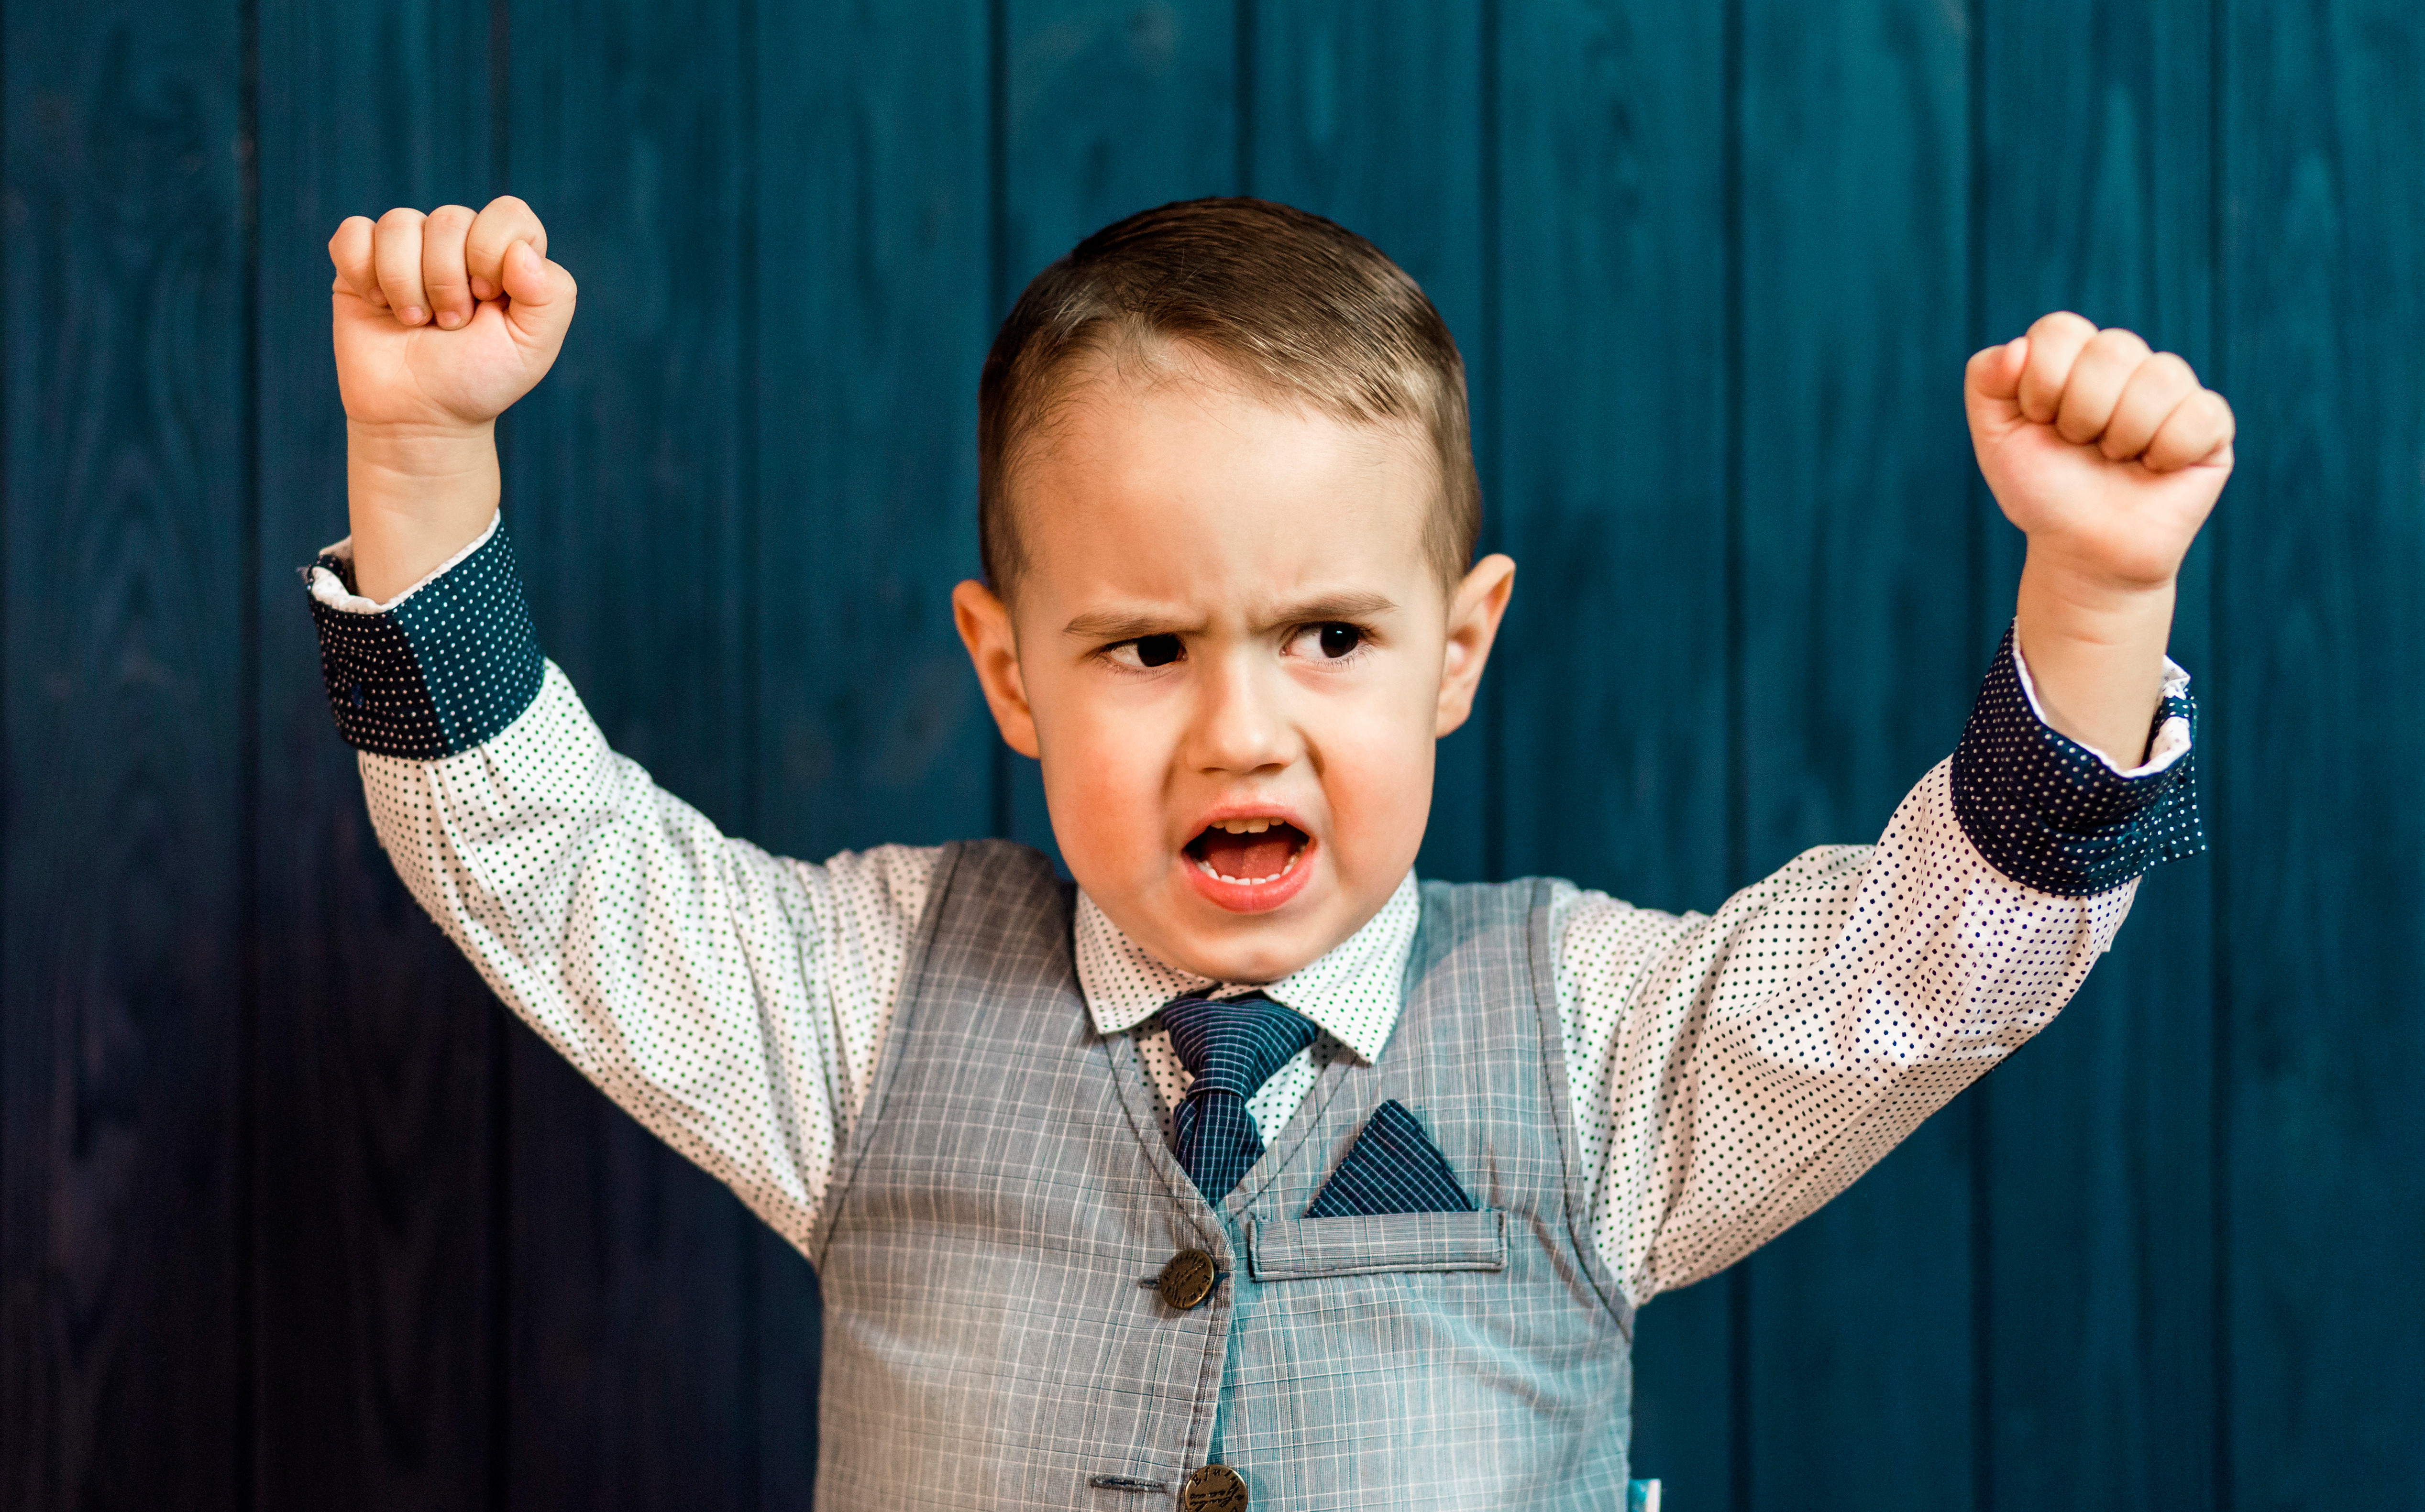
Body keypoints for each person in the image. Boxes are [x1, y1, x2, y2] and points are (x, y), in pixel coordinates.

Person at [308, 194, 2226, 1511]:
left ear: (1455, 648)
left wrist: (2097, 590)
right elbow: (546, 862)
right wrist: (416, 460)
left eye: (1328, 637)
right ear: (1007, 668)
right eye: (1146, 647)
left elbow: (1924, 965)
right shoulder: (863, 1002)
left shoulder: (1589, 1033)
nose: (1240, 726)